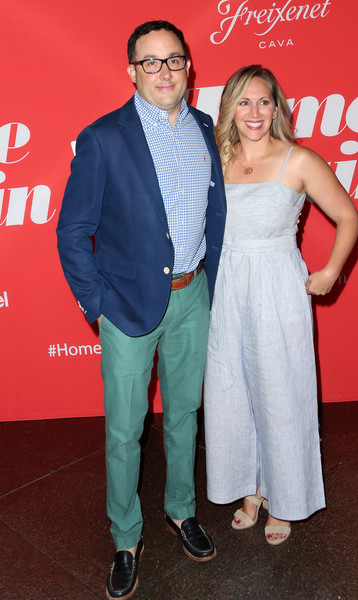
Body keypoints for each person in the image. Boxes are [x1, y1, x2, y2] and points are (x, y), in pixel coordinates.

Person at [57, 20, 226, 600]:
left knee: (185, 417)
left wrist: (216, 286)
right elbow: (73, 232)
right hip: (126, 306)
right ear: (131, 70)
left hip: (193, 294)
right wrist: (97, 305)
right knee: (126, 430)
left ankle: (181, 510)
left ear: (188, 66)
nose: (163, 71)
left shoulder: (207, 129)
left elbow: (217, 214)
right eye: (150, 61)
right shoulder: (103, 138)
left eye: (173, 59)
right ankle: (126, 538)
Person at [204, 65, 358, 546]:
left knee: (281, 393)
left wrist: (330, 271)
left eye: (264, 101)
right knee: (231, 391)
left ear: (277, 108)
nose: (254, 112)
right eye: (244, 102)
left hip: (276, 285)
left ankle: (284, 495)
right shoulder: (217, 159)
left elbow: (348, 217)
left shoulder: (299, 159)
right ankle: (250, 488)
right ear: (230, 108)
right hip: (224, 286)